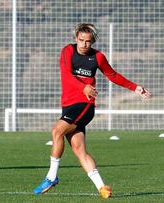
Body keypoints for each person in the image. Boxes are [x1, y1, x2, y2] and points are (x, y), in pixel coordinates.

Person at [33, 23, 151, 198]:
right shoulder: (68, 51)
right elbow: (66, 74)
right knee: (79, 149)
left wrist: (135, 87)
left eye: (88, 42)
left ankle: (51, 177)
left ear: (93, 41)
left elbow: (112, 75)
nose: (84, 45)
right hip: (69, 105)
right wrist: (84, 87)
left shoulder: (98, 57)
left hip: (84, 106)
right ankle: (102, 187)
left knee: (56, 131)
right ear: (76, 38)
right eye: (81, 40)